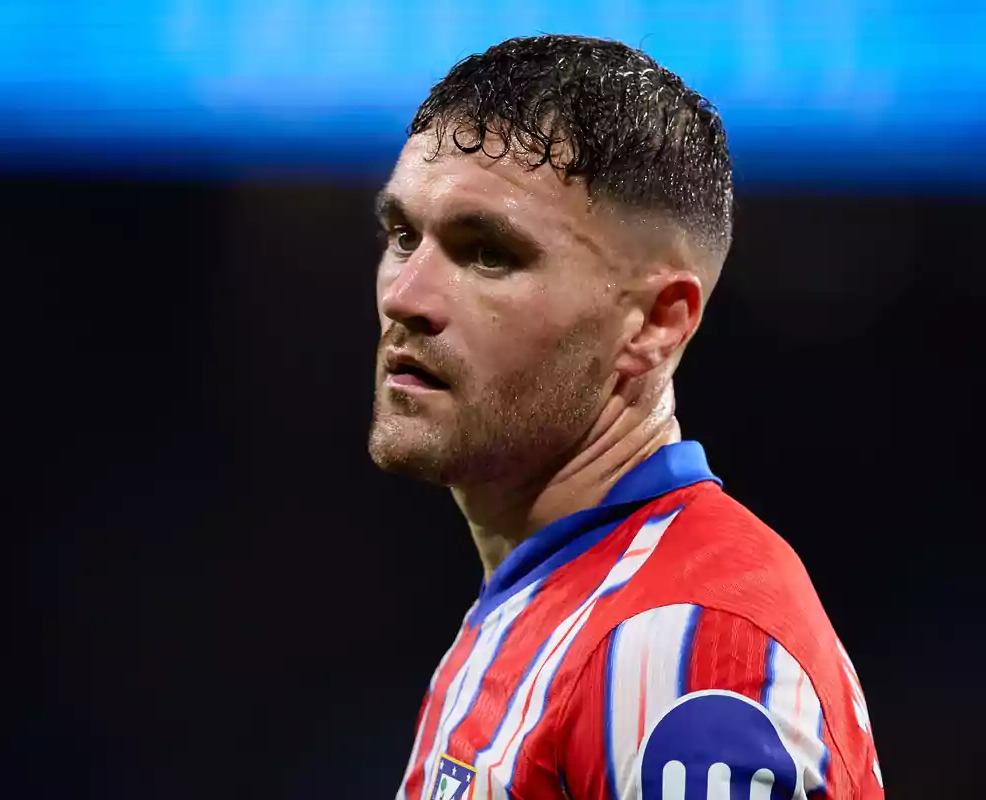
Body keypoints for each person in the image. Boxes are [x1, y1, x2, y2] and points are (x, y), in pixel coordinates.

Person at [367, 35, 883, 800]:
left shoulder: (682, 645)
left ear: (655, 325)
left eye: (487, 254)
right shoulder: (557, 598)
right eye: (405, 235)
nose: (406, 296)